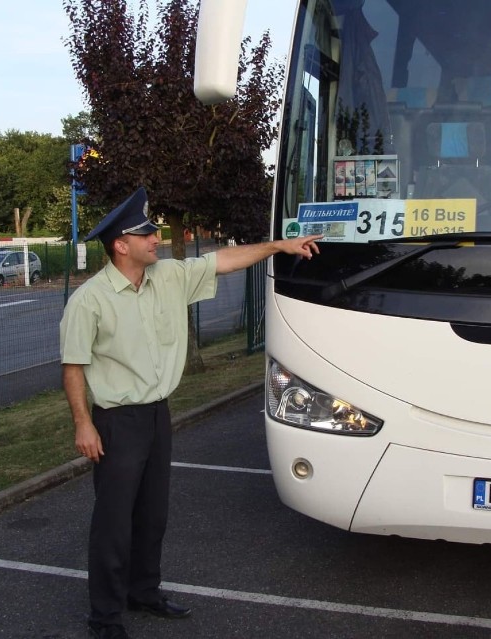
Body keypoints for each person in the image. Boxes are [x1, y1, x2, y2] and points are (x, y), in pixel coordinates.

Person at [59, 186, 321, 639]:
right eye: (145, 234)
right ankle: (104, 616)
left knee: (153, 514)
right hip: (117, 422)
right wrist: (83, 423)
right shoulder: (90, 300)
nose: (155, 238)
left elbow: (224, 259)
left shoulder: (169, 276)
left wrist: (279, 245)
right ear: (121, 245)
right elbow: (73, 366)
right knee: (114, 522)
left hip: (158, 415)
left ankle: (144, 590)